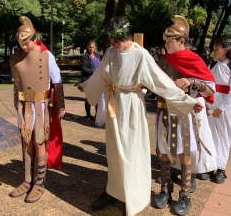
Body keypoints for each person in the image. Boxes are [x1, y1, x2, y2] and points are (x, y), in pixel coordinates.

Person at [77, 17, 204, 216]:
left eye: (115, 42)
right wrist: (86, 86)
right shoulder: (111, 53)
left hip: (131, 108)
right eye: (110, 43)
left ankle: (134, 194)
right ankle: (115, 191)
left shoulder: (141, 55)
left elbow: (161, 82)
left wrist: (187, 101)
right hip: (114, 106)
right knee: (114, 152)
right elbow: (100, 75)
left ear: (124, 36)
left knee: (131, 152)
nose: (112, 46)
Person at [154, 15, 216, 215]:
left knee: (183, 154)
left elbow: (211, 91)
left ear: (182, 41)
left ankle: (185, 194)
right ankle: (165, 190)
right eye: (165, 41)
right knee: (164, 153)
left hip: (183, 114)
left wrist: (192, 82)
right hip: (163, 112)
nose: (166, 44)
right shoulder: (163, 60)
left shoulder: (194, 59)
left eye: (169, 41)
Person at [9, 16, 65, 203]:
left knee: (39, 142)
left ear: (34, 38)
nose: (24, 46)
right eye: (21, 43)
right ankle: (27, 180)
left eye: (27, 42)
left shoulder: (46, 55)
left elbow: (57, 81)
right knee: (26, 142)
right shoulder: (16, 57)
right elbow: (17, 85)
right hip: (24, 106)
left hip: (41, 106)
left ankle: (39, 183)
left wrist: (61, 106)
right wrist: (16, 103)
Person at [206, 37, 231, 184]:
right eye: (214, 48)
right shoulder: (212, 64)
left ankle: (221, 168)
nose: (214, 51)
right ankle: (210, 164)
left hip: (225, 107)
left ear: (225, 50)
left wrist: (221, 108)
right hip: (211, 104)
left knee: (223, 136)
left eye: (217, 49)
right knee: (210, 135)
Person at [80, 40, 101, 121]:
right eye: (90, 47)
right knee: (88, 97)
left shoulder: (98, 56)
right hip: (88, 79)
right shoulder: (84, 57)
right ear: (87, 47)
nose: (91, 49)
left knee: (97, 98)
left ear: (95, 47)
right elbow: (83, 68)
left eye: (93, 47)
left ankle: (97, 114)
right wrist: (94, 71)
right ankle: (88, 115)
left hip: (98, 79)